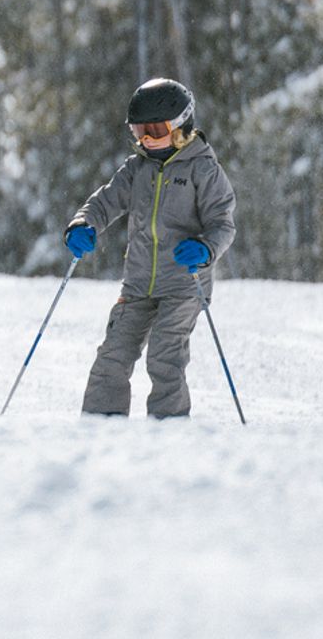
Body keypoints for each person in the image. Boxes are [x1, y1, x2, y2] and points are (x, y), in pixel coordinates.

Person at [65, 78, 237, 419]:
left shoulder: (203, 169)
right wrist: (83, 223)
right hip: (139, 283)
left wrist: (205, 248)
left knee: (164, 356)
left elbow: (223, 224)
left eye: (154, 130)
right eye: (138, 131)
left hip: (185, 285)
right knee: (113, 355)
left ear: (180, 127)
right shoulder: (136, 169)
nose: (145, 139)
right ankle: (100, 428)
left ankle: (168, 429)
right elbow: (104, 202)